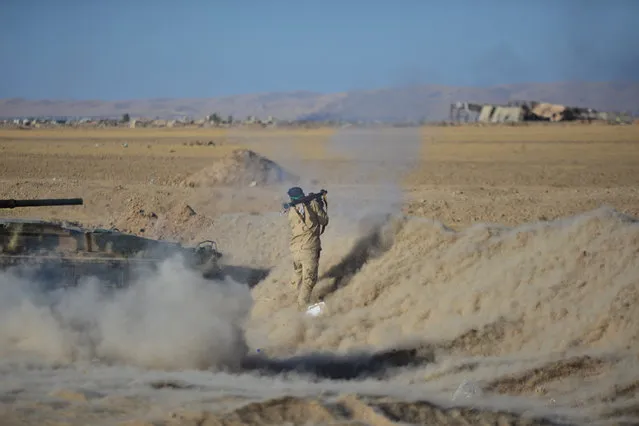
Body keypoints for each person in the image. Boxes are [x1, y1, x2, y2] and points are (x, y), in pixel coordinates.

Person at [285, 186, 329, 310]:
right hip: (309, 250)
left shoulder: (290, 210)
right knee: (309, 281)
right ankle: (301, 310)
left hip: (295, 251)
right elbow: (324, 220)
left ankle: (287, 302)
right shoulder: (312, 204)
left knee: (297, 278)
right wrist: (319, 205)